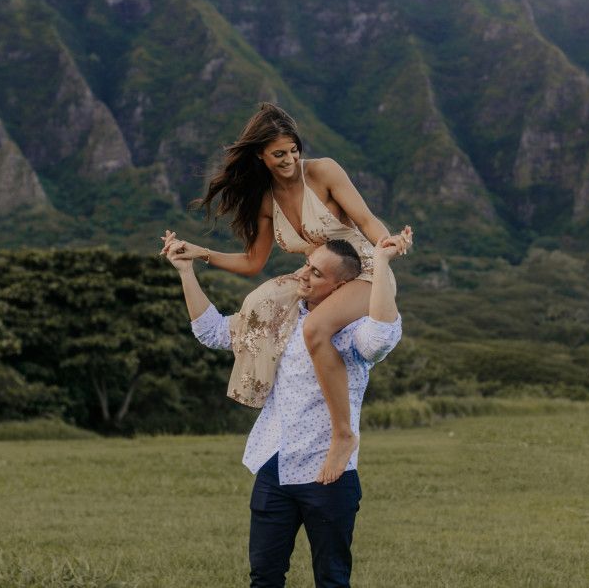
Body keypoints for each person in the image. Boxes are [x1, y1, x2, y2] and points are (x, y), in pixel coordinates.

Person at [161, 102, 401, 485]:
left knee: (315, 329)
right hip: (315, 272)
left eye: (293, 150)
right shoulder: (264, 199)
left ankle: (343, 434)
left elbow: (366, 219)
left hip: (365, 270)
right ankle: (261, 391)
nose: (289, 159)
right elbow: (253, 262)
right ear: (261, 155)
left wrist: (387, 245)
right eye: (279, 154)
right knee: (259, 302)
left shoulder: (323, 172)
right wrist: (200, 253)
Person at [164, 229, 411, 587]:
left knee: (332, 580)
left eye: (317, 273)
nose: (303, 275)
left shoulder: (350, 332)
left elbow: (380, 338)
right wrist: (186, 271)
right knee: (264, 576)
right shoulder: (280, 318)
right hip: (273, 464)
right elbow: (213, 331)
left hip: (328, 474)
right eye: (307, 265)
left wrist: (384, 263)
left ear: (342, 287)